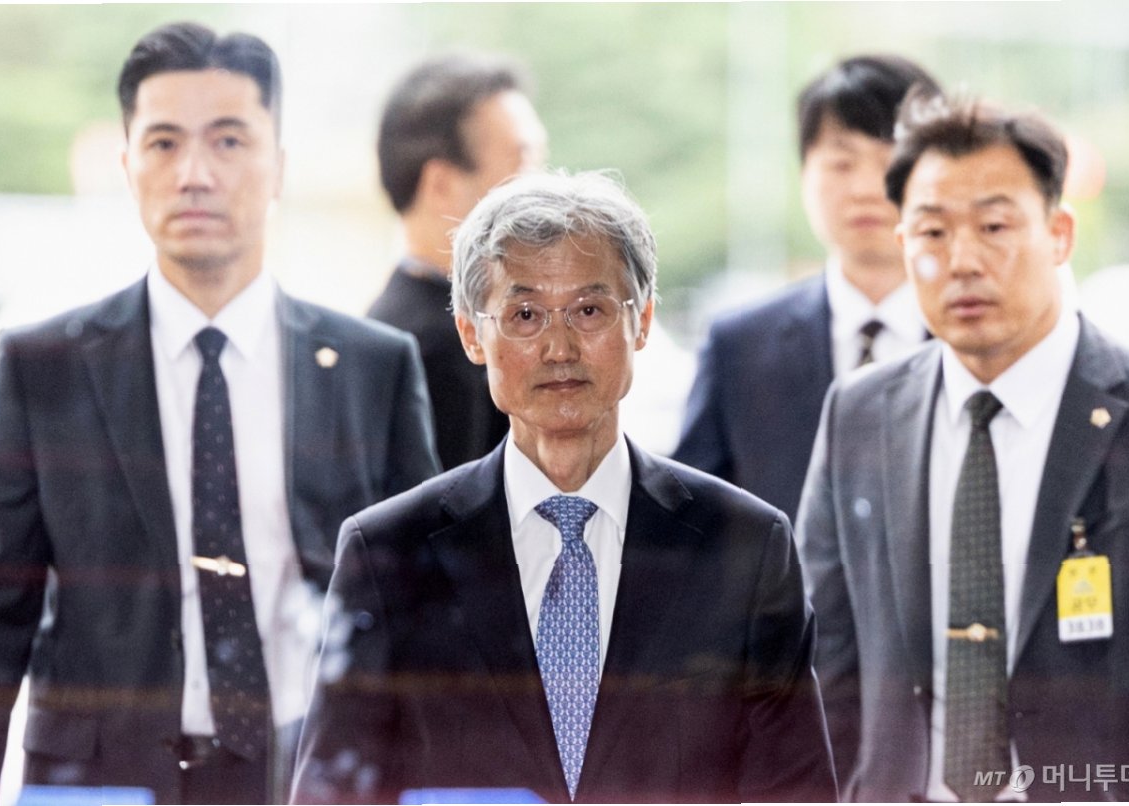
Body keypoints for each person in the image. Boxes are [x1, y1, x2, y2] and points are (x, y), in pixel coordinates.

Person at [0, 22, 439, 806]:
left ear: (278, 166)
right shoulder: (42, 367)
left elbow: (421, 607)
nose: (194, 174)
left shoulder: (373, 367)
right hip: (104, 779)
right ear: (128, 166)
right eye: (163, 143)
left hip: (314, 772)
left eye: (229, 140)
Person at [291, 171, 837, 804]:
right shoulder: (389, 553)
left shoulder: (746, 545)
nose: (559, 347)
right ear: (472, 334)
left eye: (589, 311)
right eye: (524, 315)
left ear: (642, 321)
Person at [795, 93, 1129, 801]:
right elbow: (826, 657)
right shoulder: (860, 413)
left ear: (1059, 234)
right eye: (932, 232)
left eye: (995, 226)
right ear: (903, 242)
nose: (963, 260)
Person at [673, 55, 940, 519]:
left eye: (891, 161)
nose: (866, 187)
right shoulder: (739, 348)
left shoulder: (981, 338)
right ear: (804, 175)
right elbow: (689, 516)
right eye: (841, 163)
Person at [367, 52, 548, 470]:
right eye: (523, 161)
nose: (542, 186)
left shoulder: (402, 330)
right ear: (441, 185)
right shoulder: (439, 350)